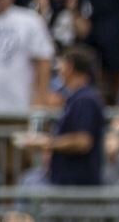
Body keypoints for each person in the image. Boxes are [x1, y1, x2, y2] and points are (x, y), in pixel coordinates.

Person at [24, 46, 105, 186]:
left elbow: (83, 141)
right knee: (29, 180)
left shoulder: (85, 99)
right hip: (65, 181)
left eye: (61, 64)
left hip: (76, 186)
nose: (58, 69)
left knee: (29, 185)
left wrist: (47, 143)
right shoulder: (75, 98)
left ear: (70, 66)